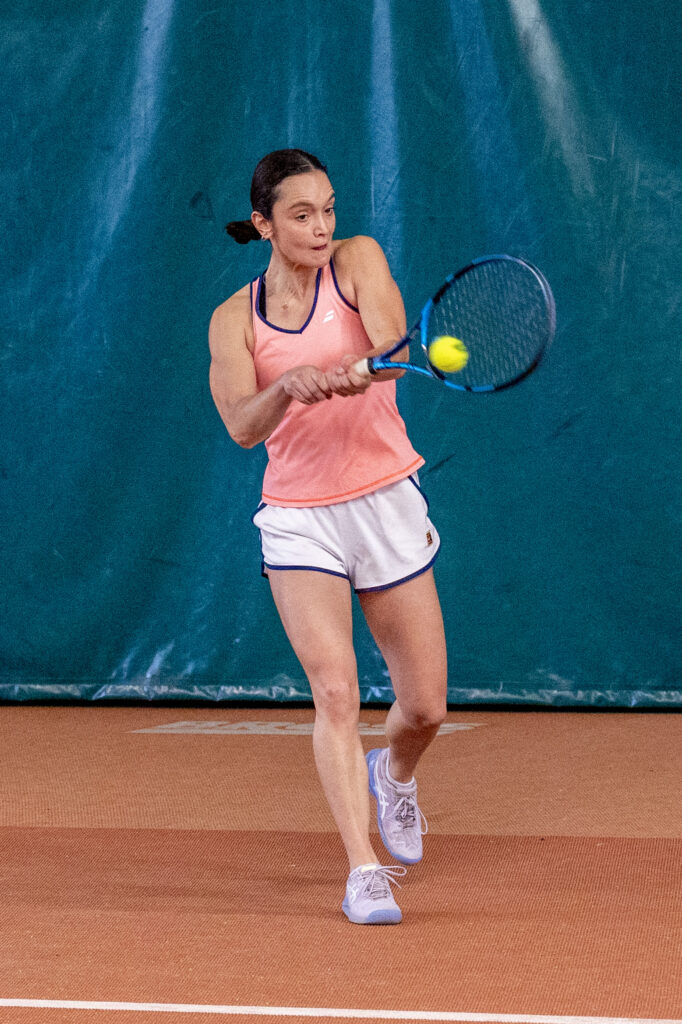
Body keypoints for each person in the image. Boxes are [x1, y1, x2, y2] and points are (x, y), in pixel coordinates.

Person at [209, 149, 447, 925]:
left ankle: (395, 775)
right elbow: (243, 427)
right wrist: (286, 385)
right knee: (336, 690)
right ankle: (363, 869)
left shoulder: (357, 260)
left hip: (383, 499)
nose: (322, 227)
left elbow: (397, 349)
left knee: (425, 707)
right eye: (302, 214)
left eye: (329, 210)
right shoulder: (233, 319)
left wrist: (359, 368)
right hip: (300, 518)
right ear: (264, 224)